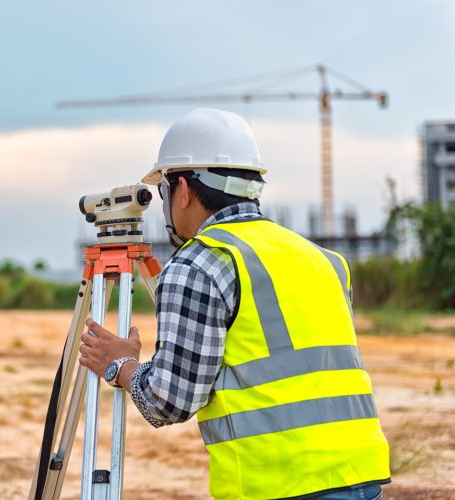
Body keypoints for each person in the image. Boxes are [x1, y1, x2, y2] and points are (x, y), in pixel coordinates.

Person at [78, 108, 390, 499]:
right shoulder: (323, 259)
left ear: (184, 190)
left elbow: (169, 402)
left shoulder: (200, 263)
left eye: (164, 190)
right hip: (360, 476)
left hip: (278, 485)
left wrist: (120, 366)